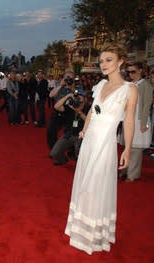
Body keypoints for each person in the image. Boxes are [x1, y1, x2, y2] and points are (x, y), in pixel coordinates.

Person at [65, 42, 138, 254]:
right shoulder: (100, 85)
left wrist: (127, 149)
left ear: (120, 62)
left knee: (96, 186)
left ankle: (93, 234)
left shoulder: (129, 90)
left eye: (109, 60)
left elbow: (130, 121)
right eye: (101, 61)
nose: (103, 65)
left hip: (105, 144)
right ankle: (80, 228)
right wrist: (84, 130)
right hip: (89, 142)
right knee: (84, 183)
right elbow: (91, 112)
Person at [119, 62, 153, 182]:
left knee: (136, 149)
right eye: (129, 72)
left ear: (140, 71)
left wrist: (144, 123)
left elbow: (146, 106)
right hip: (128, 118)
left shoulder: (146, 85)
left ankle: (132, 174)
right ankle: (124, 170)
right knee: (127, 146)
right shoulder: (130, 85)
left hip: (139, 120)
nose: (130, 74)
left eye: (133, 71)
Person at [50, 88, 89, 165]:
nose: (79, 103)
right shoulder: (70, 108)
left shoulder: (88, 109)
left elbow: (89, 121)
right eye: (77, 100)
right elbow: (56, 107)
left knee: (81, 156)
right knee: (54, 153)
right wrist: (68, 96)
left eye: (81, 101)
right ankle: (63, 160)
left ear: (85, 102)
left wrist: (79, 112)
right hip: (68, 134)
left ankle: (83, 165)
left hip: (82, 136)